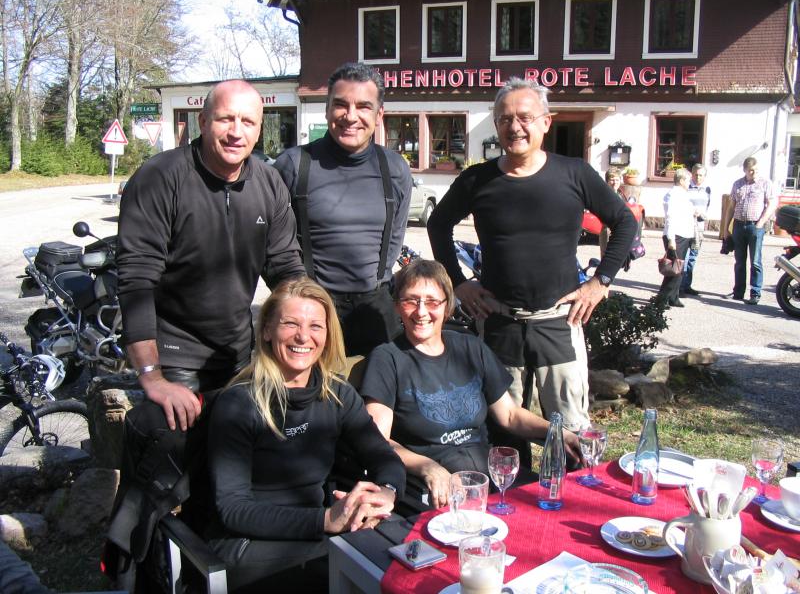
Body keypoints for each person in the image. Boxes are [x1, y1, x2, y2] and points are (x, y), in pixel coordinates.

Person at [427, 77, 638, 433]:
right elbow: (438, 225)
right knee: (502, 430)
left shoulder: (574, 173)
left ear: (546, 122)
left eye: (525, 117)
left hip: (559, 322)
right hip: (499, 322)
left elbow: (624, 222)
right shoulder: (477, 180)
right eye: (505, 119)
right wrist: (458, 283)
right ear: (496, 125)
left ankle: (571, 471)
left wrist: (600, 281)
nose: (515, 127)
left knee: (571, 431)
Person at [117, 79, 305, 431]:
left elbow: (285, 267)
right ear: (203, 122)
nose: (236, 132)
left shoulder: (269, 183)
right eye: (225, 119)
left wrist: (307, 330)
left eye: (247, 122)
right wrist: (152, 377)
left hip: (237, 355)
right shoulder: (160, 177)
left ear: (259, 129)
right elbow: (136, 280)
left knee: (240, 454)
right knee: (178, 458)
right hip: (175, 358)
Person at [200, 277, 405, 592]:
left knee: (402, 547)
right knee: (365, 565)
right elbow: (233, 509)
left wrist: (386, 494)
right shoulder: (239, 404)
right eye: (290, 324)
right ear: (267, 330)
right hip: (248, 543)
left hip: (317, 529)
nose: (303, 336)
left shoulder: (337, 394)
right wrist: (326, 520)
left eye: (315, 326)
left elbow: (382, 456)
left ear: (328, 334)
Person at [360, 260, 582, 509]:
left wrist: (557, 431)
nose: (421, 312)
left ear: (447, 306)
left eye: (432, 302)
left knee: (561, 507)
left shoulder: (469, 347)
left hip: (493, 478)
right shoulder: (387, 359)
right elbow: (377, 439)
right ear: (397, 306)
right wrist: (426, 466)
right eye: (411, 301)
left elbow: (510, 415)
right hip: (436, 488)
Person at [274, 62, 413, 356]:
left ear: (379, 115)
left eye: (363, 106)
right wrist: (294, 296)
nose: (350, 116)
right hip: (313, 310)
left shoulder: (395, 168)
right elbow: (272, 246)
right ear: (327, 110)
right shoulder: (294, 165)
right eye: (340, 104)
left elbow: (395, 238)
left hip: (376, 311)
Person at [723, 157, 778, 305]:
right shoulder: (737, 184)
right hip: (739, 225)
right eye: (751, 170)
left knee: (755, 261)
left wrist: (761, 222)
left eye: (756, 170)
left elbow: (772, 203)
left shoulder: (765, 183)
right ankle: (738, 292)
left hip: (755, 226)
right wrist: (726, 229)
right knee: (739, 261)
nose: (754, 173)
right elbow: (731, 207)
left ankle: (755, 293)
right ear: (745, 170)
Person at [658, 168, 696, 308]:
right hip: (676, 235)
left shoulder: (682, 194)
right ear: (681, 180)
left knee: (679, 268)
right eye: (688, 180)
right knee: (674, 269)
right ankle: (662, 299)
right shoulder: (673, 194)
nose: (690, 182)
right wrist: (671, 239)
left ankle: (673, 297)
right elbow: (670, 217)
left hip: (684, 234)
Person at [680, 163, 712, 297]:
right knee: (685, 257)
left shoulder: (707, 190)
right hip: (687, 226)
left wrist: (702, 215)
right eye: (696, 175)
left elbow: (707, 206)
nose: (698, 177)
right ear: (692, 174)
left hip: (699, 228)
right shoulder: (686, 187)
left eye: (701, 175)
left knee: (693, 257)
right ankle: (680, 287)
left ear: (705, 176)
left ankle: (687, 285)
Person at [599, 167, 625, 256]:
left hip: (619, 231)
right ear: (607, 181)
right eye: (612, 180)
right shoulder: (604, 195)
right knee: (607, 257)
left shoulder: (620, 195)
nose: (615, 182)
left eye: (617, 180)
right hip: (608, 230)